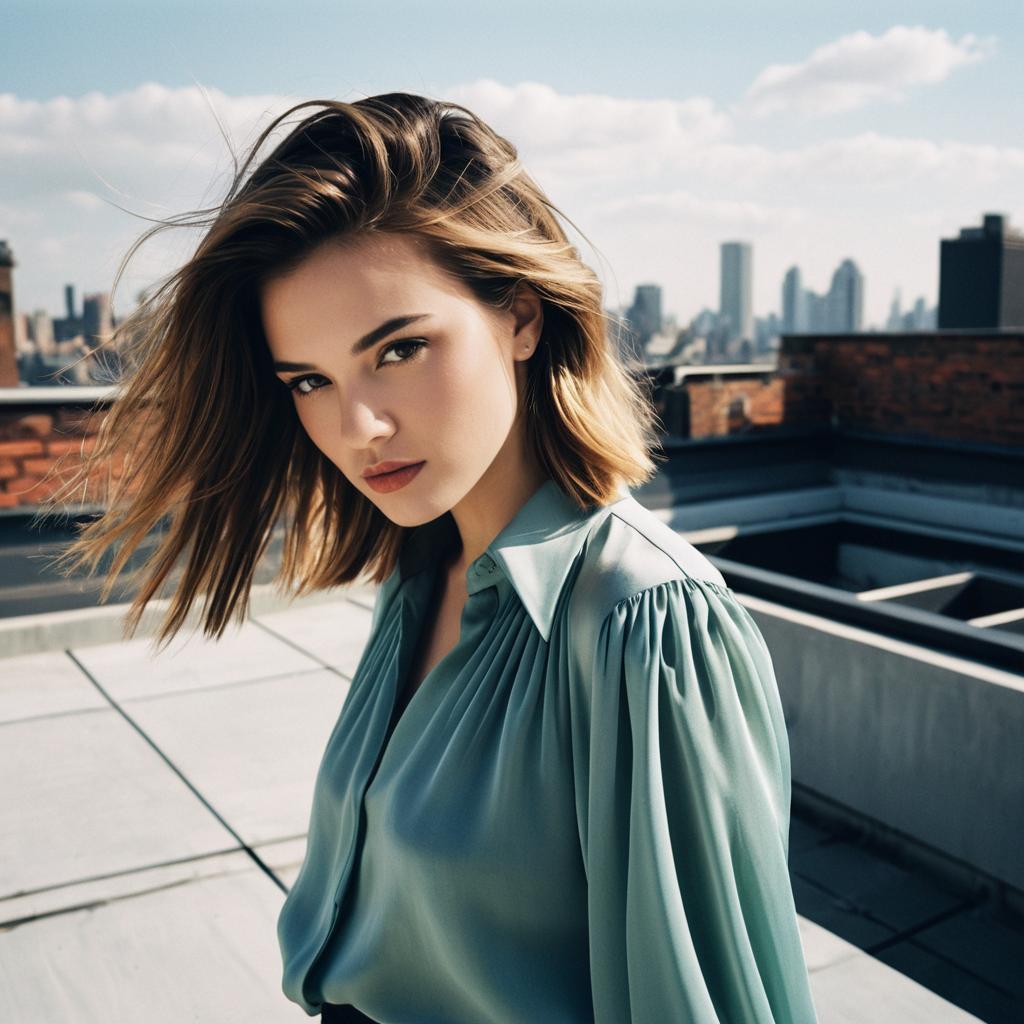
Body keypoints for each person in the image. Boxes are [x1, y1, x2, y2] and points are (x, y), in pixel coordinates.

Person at [43, 93, 819, 1022]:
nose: (357, 427)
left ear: (523, 318)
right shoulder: (422, 569)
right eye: (310, 381)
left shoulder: (638, 620)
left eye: (400, 348)